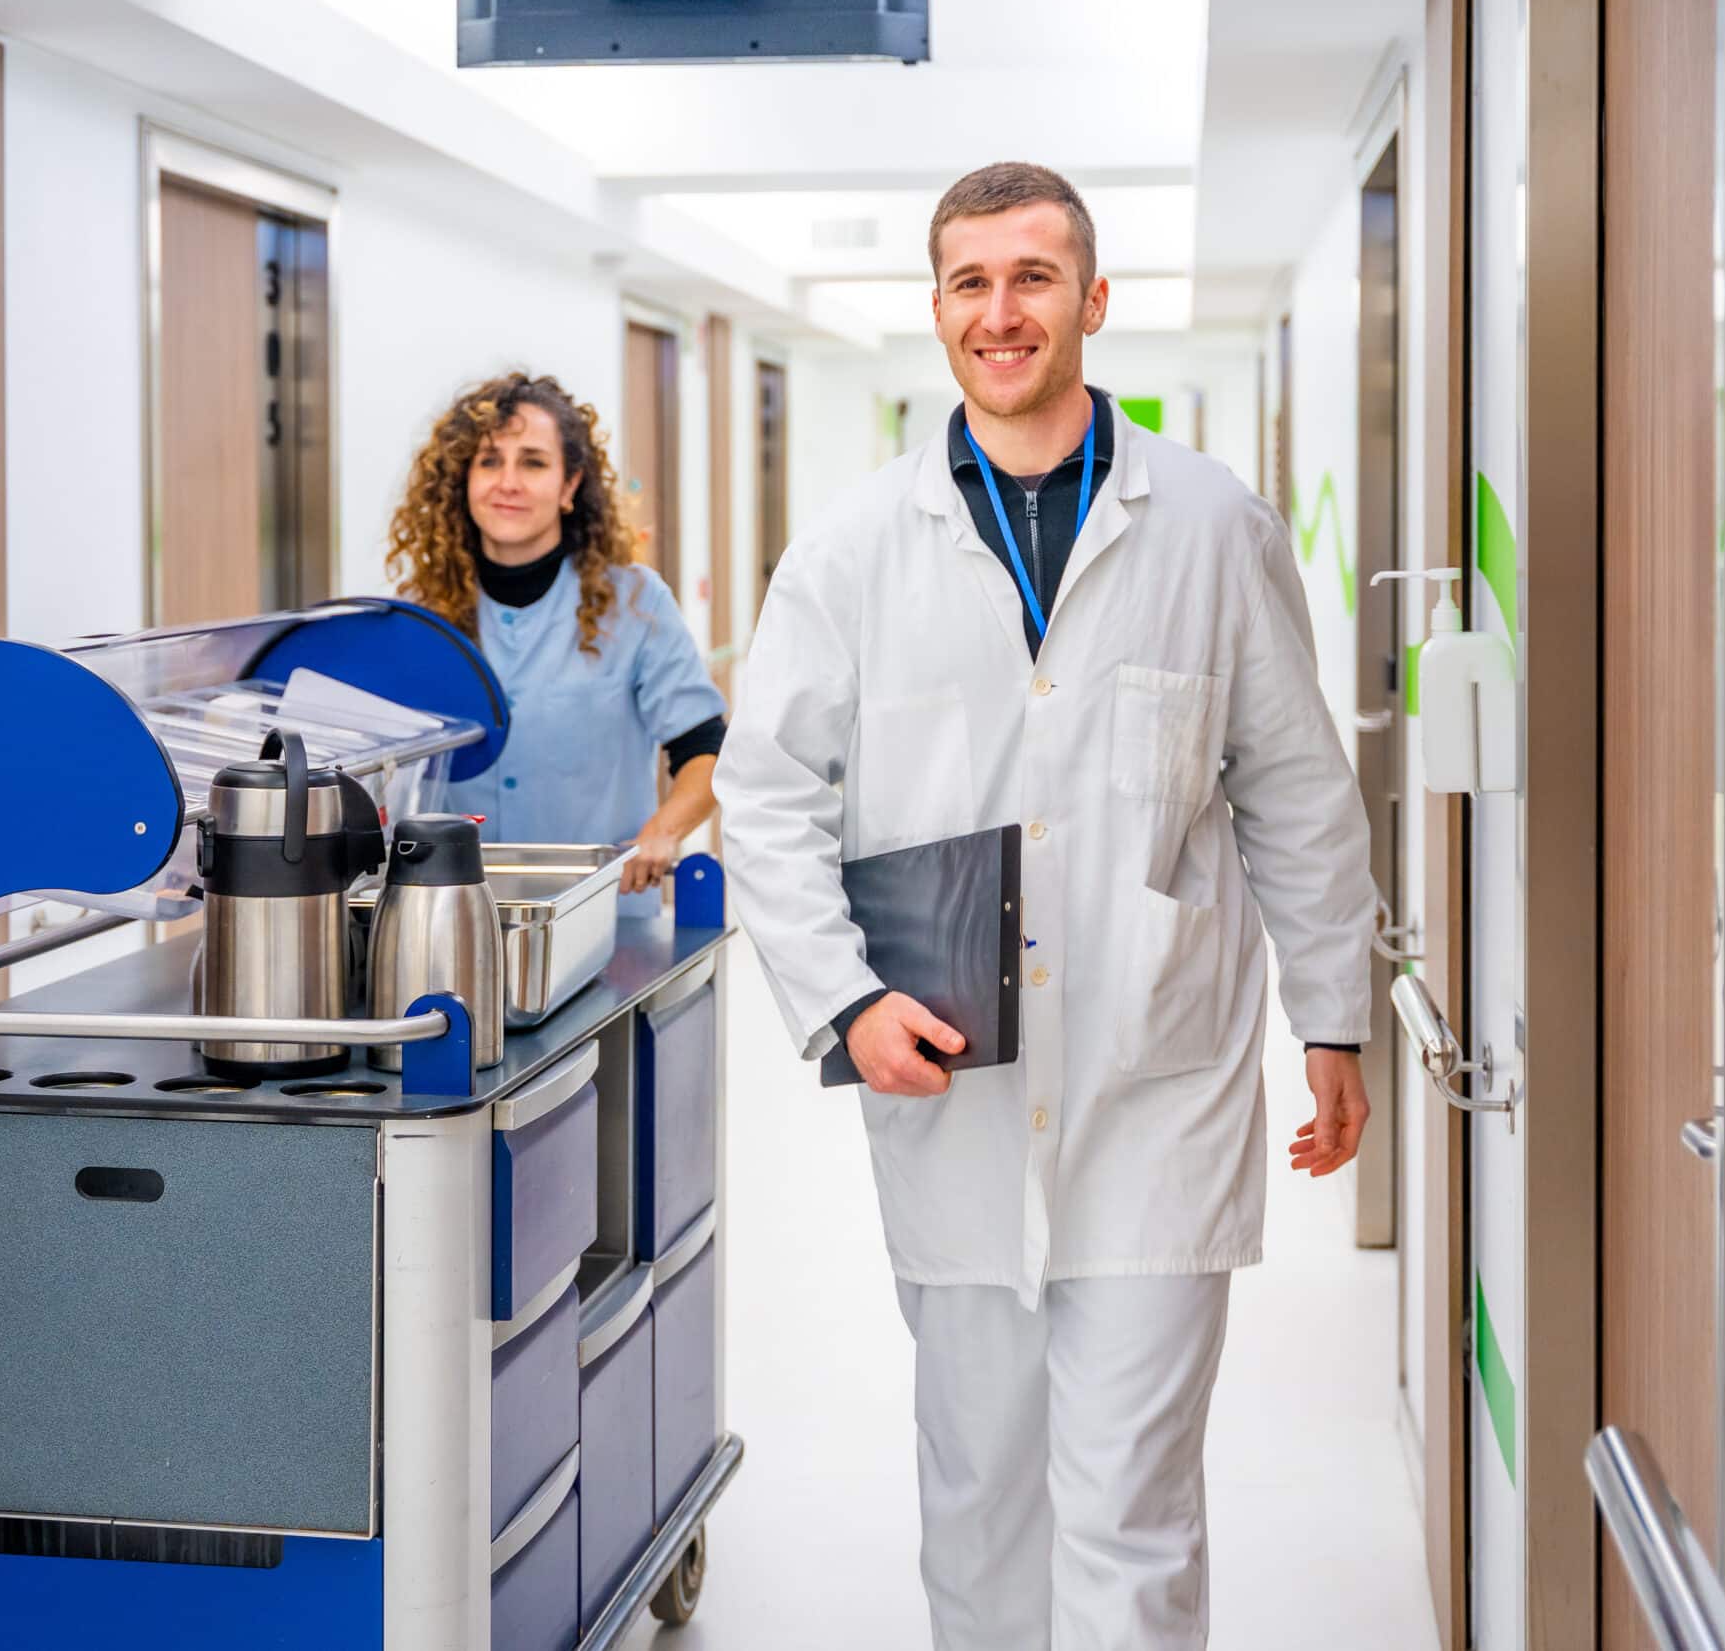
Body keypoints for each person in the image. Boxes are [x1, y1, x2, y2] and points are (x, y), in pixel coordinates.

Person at [714, 163, 1373, 1648]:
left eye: (1032, 276)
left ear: (1093, 299)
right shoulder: (855, 544)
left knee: (1134, 1516)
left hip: (1159, 1084)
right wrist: (841, 994)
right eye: (970, 282)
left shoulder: (1209, 521)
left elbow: (1295, 786)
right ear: (937, 307)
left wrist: (1333, 1015)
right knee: (980, 1501)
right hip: (949, 1079)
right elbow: (767, 793)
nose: (1000, 311)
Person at [387, 372, 727, 904]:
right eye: (489, 461)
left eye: (534, 462)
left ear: (570, 485)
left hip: (599, 913)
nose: (509, 482)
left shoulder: (634, 603)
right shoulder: (421, 618)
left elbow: (705, 748)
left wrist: (662, 831)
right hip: (454, 914)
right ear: (463, 480)